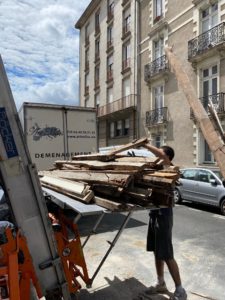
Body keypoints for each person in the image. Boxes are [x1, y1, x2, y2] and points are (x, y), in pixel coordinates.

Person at [145, 145, 187, 300]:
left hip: (164, 214)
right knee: (157, 251)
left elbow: (161, 156)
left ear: (168, 157)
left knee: (167, 253)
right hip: (154, 212)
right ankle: (161, 282)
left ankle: (180, 290)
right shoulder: (157, 168)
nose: (156, 156)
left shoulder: (169, 167)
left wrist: (144, 144)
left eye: (160, 154)